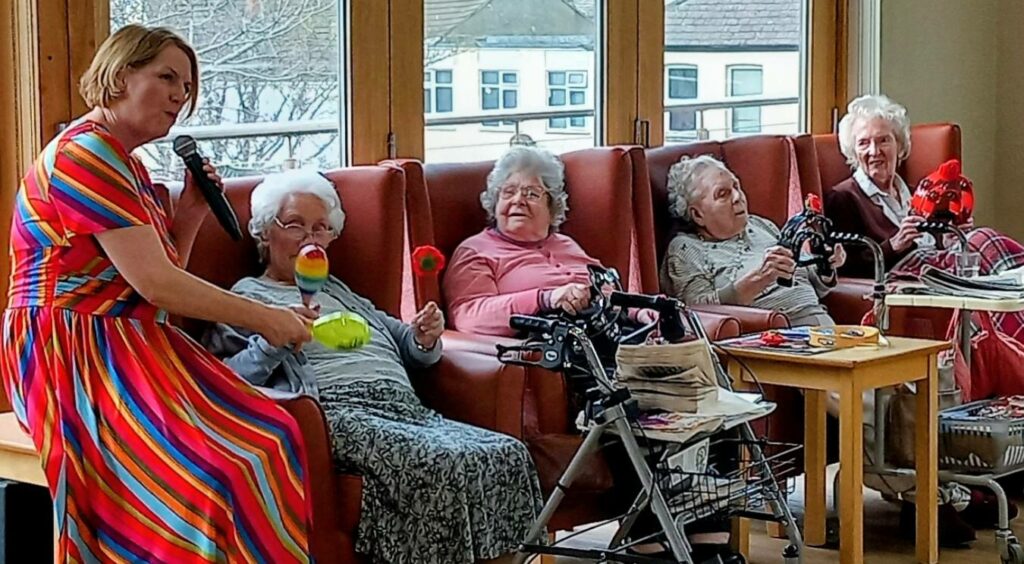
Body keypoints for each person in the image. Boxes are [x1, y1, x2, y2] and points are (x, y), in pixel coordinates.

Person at [0, 25, 314, 562]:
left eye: (186, 86)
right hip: (69, 348)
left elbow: (159, 276)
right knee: (213, 475)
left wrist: (190, 211)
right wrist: (265, 316)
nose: (179, 96)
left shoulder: (131, 164)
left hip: (131, 339)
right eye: (166, 77)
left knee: (273, 433)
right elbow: (157, 284)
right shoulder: (86, 155)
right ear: (120, 75)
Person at [204, 169, 542, 564]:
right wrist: (274, 341)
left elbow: (407, 345)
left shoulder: (339, 291)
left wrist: (423, 336)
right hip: (339, 412)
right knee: (434, 462)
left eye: (320, 229)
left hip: (405, 409)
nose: (310, 239)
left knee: (507, 453)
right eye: (295, 225)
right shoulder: (247, 297)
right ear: (264, 232)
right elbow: (227, 377)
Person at [443, 145, 655, 336]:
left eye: (532, 194)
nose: (518, 200)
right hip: (547, 354)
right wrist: (546, 299)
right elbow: (467, 316)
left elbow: (606, 291)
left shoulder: (566, 244)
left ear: (552, 206)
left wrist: (639, 311)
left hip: (605, 340)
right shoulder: (476, 250)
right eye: (508, 192)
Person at [659, 154, 846, 327]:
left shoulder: (760, 225)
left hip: (821, 324)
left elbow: (811, 284)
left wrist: (825, 265)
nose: (738, 197)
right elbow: (697, 311)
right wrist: (758, 279)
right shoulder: (686, 248)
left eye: (736, 187)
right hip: (771, 336)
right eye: (722, 194)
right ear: (698, 214)